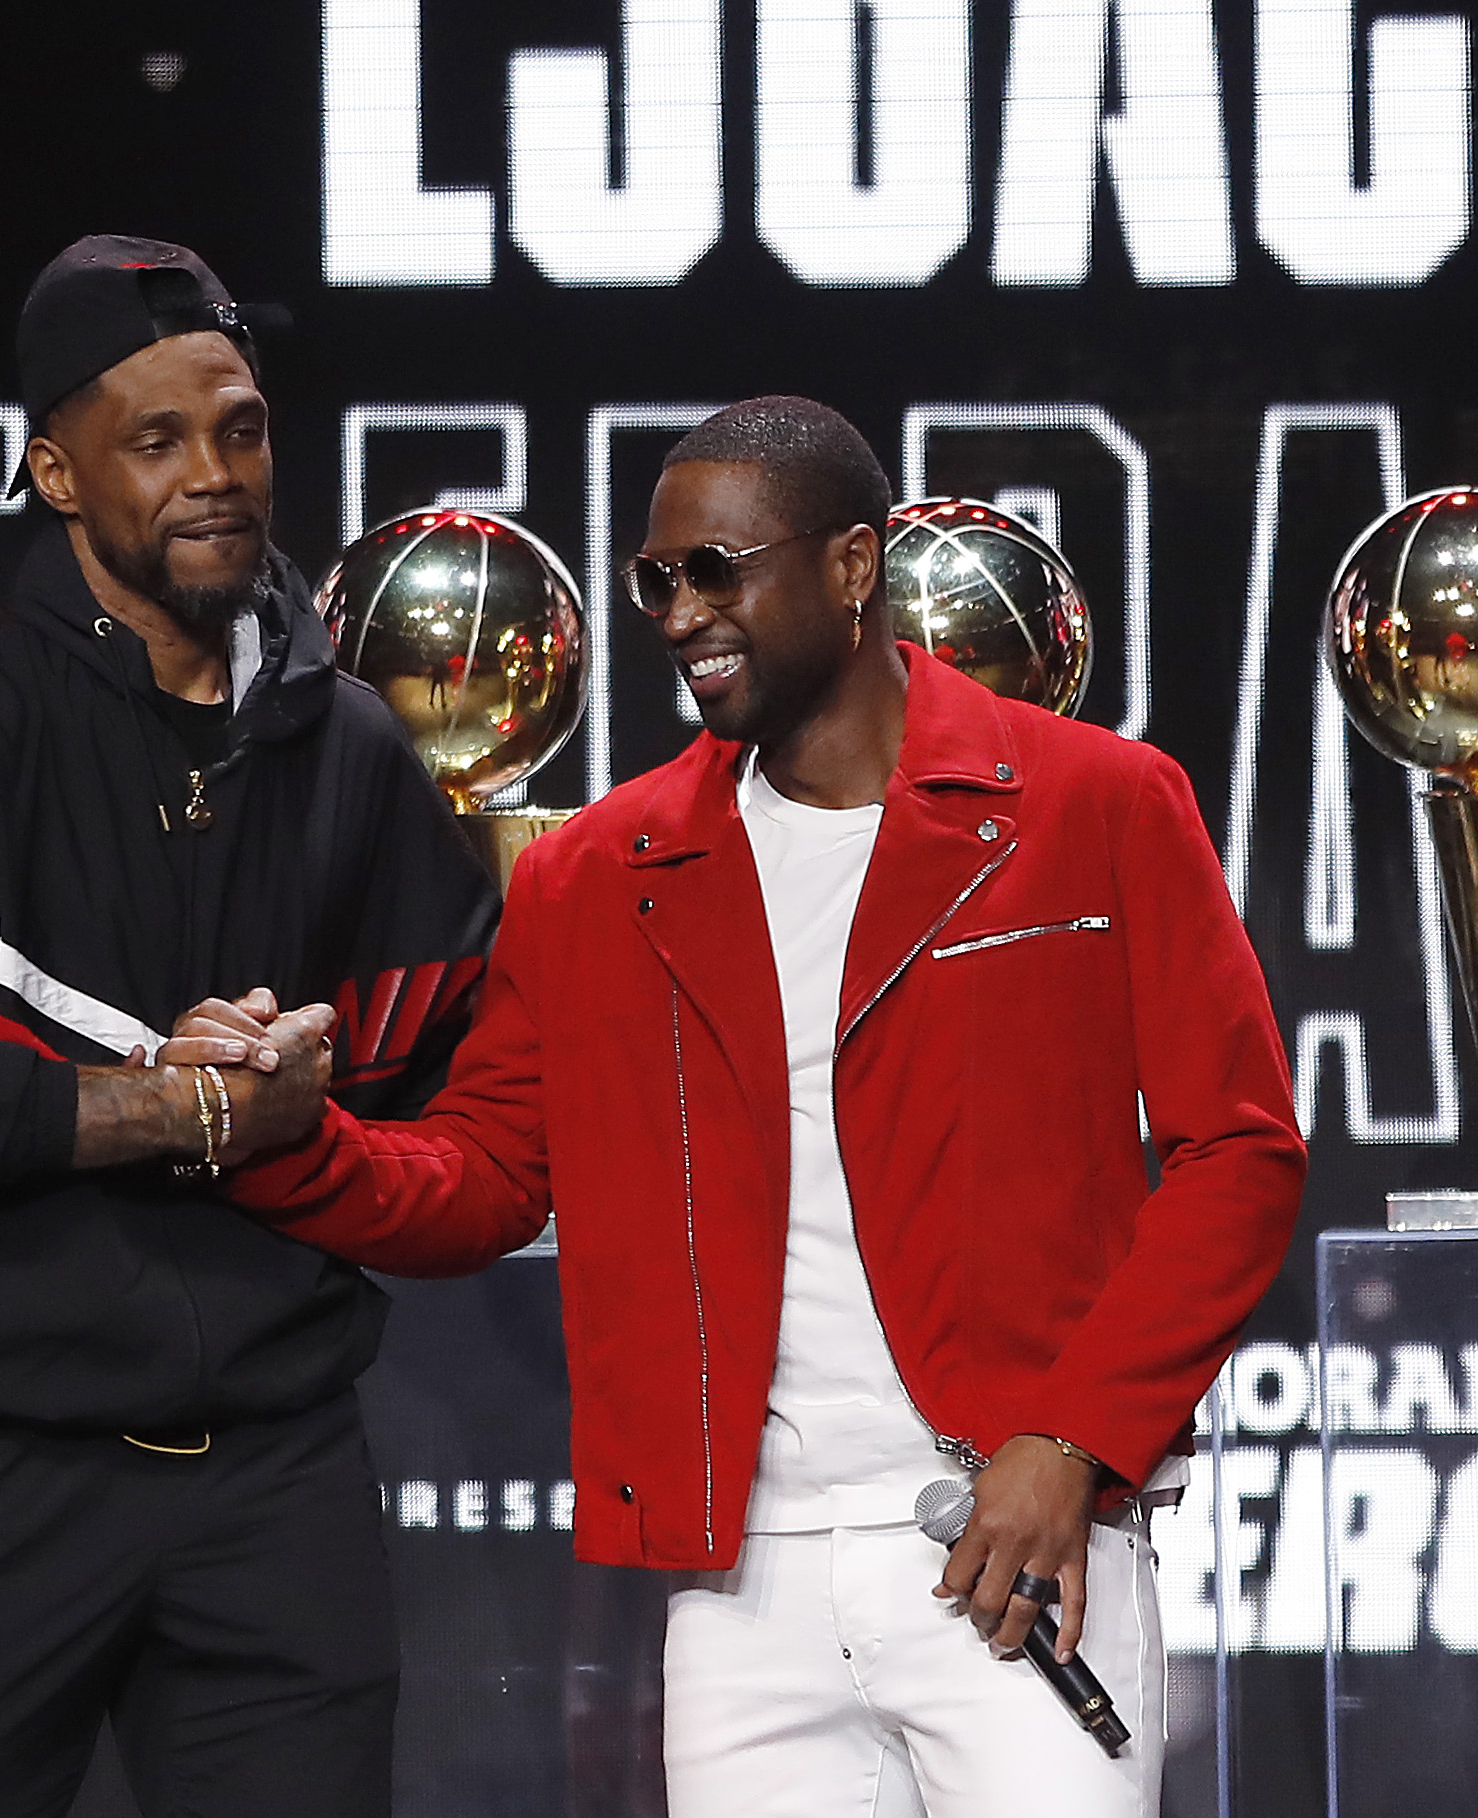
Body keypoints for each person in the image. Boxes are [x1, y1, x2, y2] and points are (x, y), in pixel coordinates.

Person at [186, 397, 1306, 1816]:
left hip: (1012, 1547)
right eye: (659, 579)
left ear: (853, 566)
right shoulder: (596, 874)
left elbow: (1241, 1154)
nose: (680, 611)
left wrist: (1073, 1440)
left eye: (721, 568)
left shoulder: (1094, 804)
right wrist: (291, 1138)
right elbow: (483, 1173)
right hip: (741, 1586)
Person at [0, 235, 496, 1818]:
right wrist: (169, 1108)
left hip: (279, 1477)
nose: (216, 476)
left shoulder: (346, 742)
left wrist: (314, 1090)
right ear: (59, 474)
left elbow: (456, 1057)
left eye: (241, 428)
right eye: (156, 441)